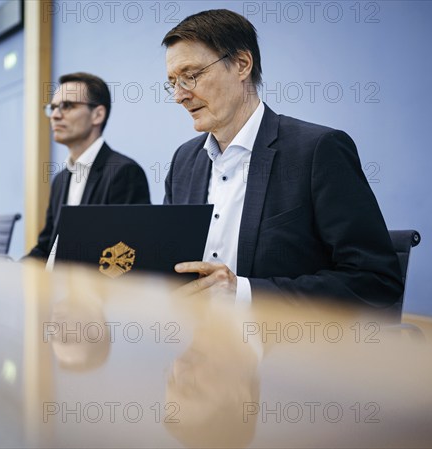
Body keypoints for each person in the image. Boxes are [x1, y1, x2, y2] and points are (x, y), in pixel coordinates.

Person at [161, 9, 402, 306]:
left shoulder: (318, 150)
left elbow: (376, 279)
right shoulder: (184, 161)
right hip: (190, 338)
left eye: (191, 76)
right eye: (173, 82)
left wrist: (244, 293)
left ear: (241, 64)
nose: (179, 95)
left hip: (285, 344)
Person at [27, 72, 150, 259]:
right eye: (52, 108)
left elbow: (128, 252)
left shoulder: (124, 172)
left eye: (66, 106)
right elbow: (46, 247)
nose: (55, 116)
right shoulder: (60, 180)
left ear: (97, 114)